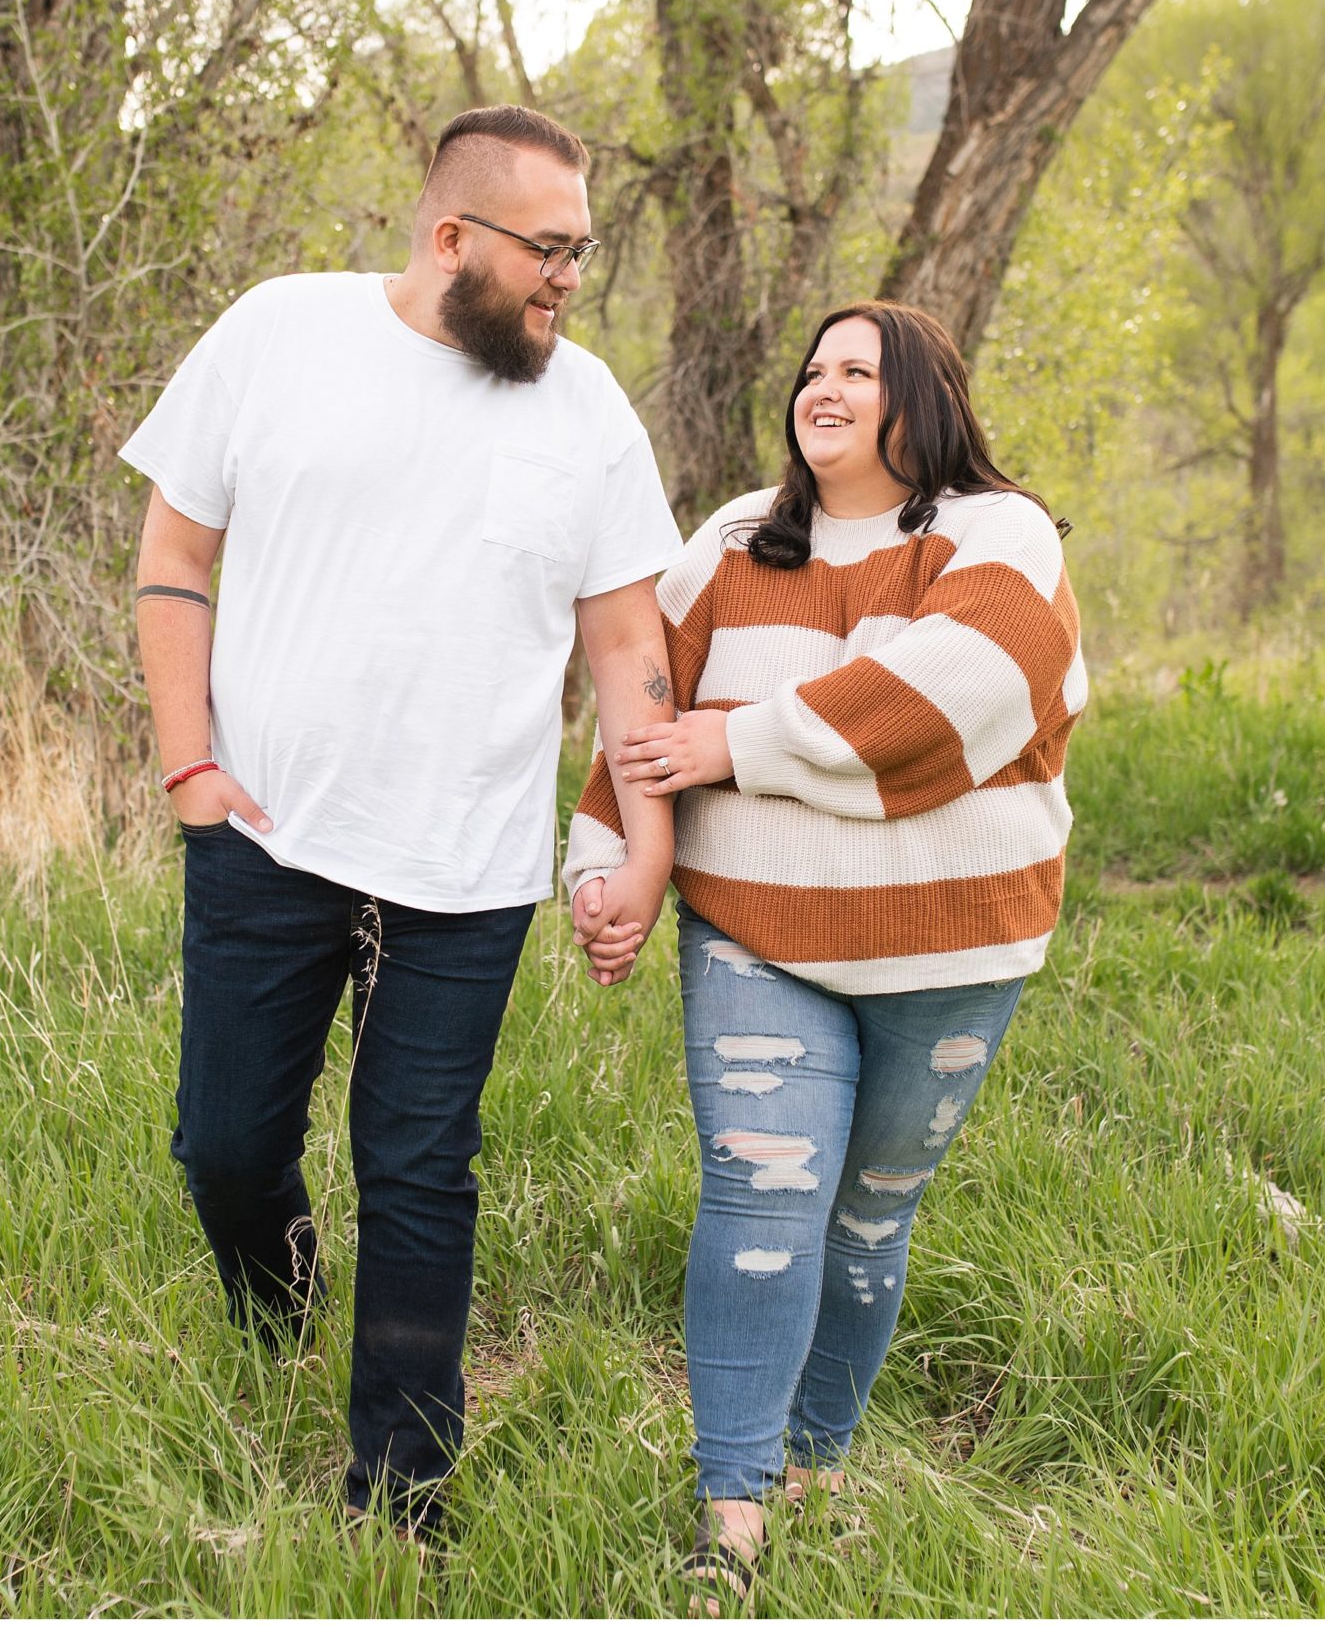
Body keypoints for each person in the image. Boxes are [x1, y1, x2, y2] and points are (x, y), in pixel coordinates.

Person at [122, 104, 681, 1536]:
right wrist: (189, 765)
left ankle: (403, 1495)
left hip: (467, 865)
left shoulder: (589, 410)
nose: (570, 278)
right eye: (550, 251)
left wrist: (643, 849)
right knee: (226, 1149)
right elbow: (177, 553)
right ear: (452, 238)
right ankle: (282, 1304)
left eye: (584, 253)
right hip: (263, 832)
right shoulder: (280, 334)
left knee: (421, 1166)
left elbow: (628, 652)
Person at [566, 300, 1087, 1602]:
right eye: (812, 368)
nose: (825, 386)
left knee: (865, 1226)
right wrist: (607, 861)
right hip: (761, 933)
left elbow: (950, 693)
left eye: (860, 369)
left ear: (928, 397)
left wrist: (741, 743)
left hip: (954, 950)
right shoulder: (733, 544)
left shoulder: (998, 536)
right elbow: (646, 704)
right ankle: (728, 1516)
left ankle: (818, 1468)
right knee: (760, 1205)